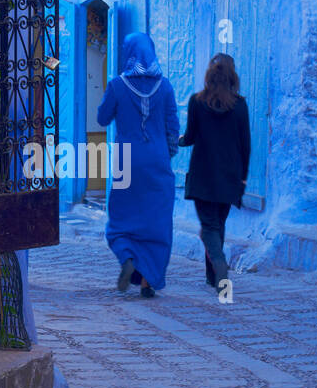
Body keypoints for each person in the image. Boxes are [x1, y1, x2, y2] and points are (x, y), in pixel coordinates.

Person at [97, 32, 179, 298]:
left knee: (121, 217)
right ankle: (148, 280)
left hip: (125, 160)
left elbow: (102, 118)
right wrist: (166, 156)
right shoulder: (165, 86)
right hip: (157, 160)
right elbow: (172, 128)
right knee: (157, 220)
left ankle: (127, 257)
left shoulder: (117, 85)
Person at [178, 53, 250, 295]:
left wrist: (177, 140)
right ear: (232, 76)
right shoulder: (240, 105)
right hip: (230, 176)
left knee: (209, 226)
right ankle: (212, 276)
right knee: (218, 224)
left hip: (203, 175)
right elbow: (245, 144)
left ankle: (219, 266)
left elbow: (189, 137)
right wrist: (243, 177)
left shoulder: (196, 102)